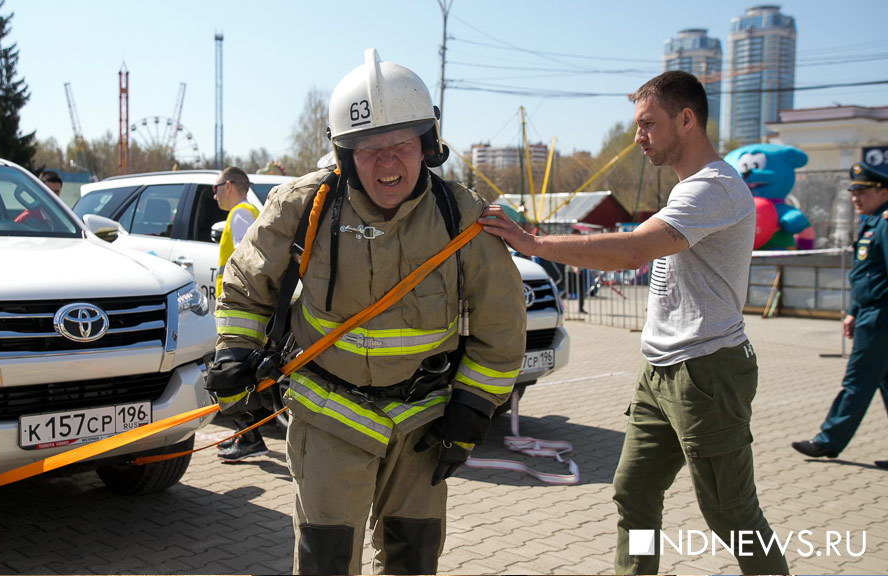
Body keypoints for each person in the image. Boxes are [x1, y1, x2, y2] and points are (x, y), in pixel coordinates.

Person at [206, 49, 525, 575]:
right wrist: (235, 354)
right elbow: (244, 285)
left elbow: (501, 322)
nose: (386, 162)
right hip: (329, 414)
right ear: (342, 154)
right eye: (368, 148)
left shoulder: (462, 216)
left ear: (427, 146)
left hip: (422, 419)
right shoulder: (303, 205)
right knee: (325, 561)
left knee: (413, 557)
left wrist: (473, 408)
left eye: (400, 144)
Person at [479, 70, 789, 575]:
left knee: (732, 513)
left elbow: (631, 251)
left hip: (707, 373)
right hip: (661, 371)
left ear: (686, 120)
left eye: (648, 124)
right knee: (635, 491)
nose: (638, 137)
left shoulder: (714, 187)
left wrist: (533, 245)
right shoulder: (689, 188)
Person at [792, 161, 888, 469]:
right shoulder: (871, 222)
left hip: (880, 319)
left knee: (857, 381)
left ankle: (828, 440)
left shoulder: (884, 225)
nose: (856, 198)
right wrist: (854, 313)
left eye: (863, 191)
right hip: (871, 313)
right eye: (854, 192)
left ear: (884, 192)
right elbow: (868, 276)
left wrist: (867, 314)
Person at [212, 166, 268, 462]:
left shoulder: (240, 215)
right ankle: (246, 435)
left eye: (216, 187)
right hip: (239, 306)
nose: (214, 194)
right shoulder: (246, 213)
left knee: (227, 374)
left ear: (229, 185)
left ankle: (249, 437)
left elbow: (249, 262)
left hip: (238, 308)